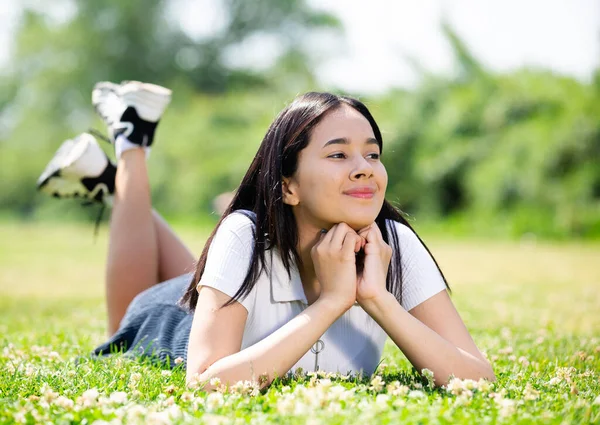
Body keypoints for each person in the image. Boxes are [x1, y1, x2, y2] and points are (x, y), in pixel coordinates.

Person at [37, 80, 495, 391]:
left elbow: (477, 376)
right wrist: (332, 303)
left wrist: (377, 298)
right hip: (174, 321)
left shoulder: (393, 241)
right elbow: (205, 380)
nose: (364, 168)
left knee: (211, 274)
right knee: (125, 320)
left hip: (227, 293)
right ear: (288, 186)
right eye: (338, 155)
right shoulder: (243, 234)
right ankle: (131, 138)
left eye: (373, 154)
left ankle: (107, 178)